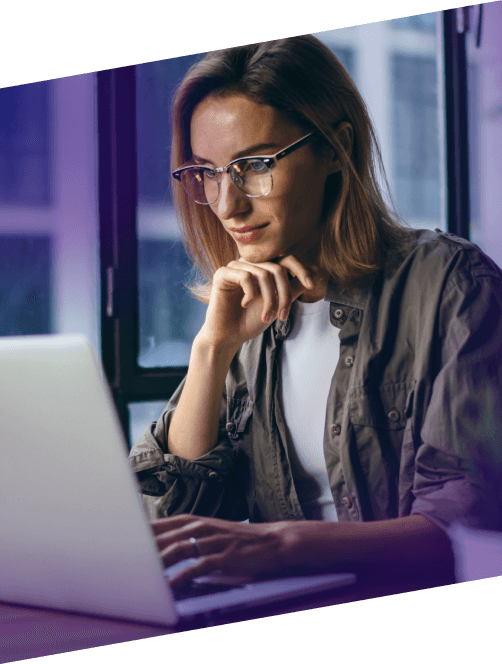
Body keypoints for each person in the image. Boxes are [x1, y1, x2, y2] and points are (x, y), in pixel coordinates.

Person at [129, 35, 502, 587]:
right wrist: (211, 352)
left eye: (253, 165)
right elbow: (170, 524)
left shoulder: (452, 285)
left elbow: (463, 527)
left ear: (335, 148)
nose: (227, 204)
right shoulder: (242, 313)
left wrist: (281, 545)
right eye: (206, 172)